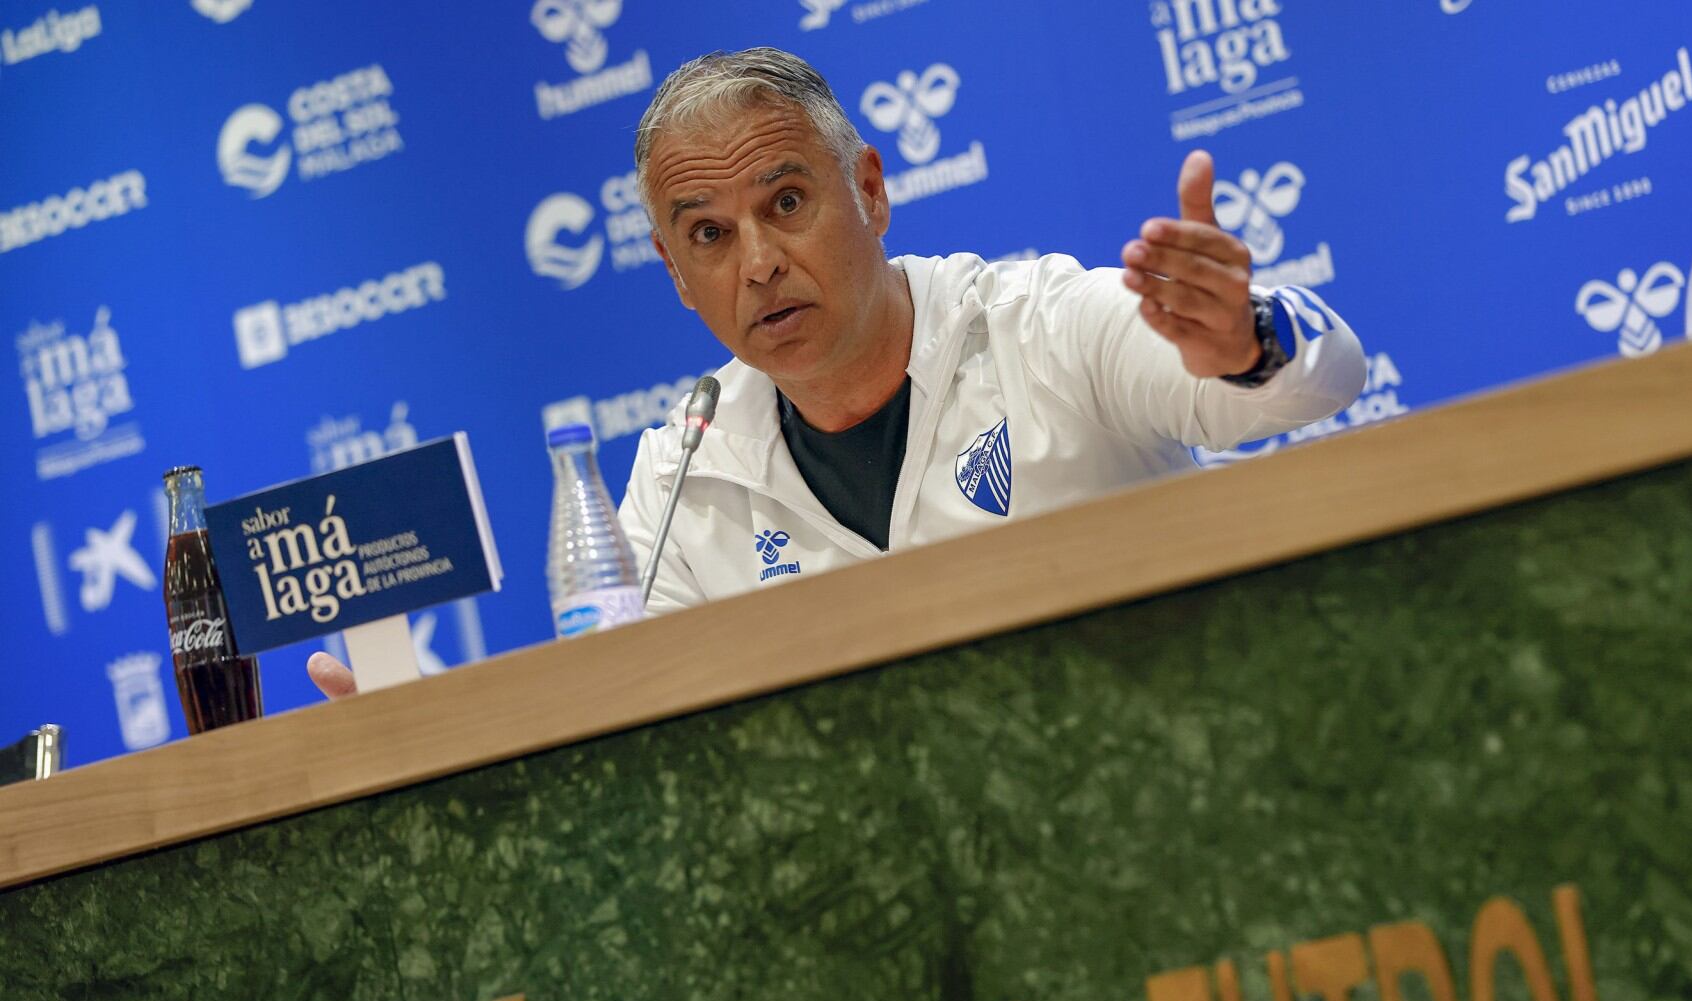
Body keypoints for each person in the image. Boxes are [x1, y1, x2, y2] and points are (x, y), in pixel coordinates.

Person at [308, 46, 1364, 699]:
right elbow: (629, 726)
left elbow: (1320, 378)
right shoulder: (680, 481)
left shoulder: (1037, 324)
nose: (758, 262)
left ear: (870, 190)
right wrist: (437, 742)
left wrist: (1244, 344)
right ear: (676, 275)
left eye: (786, 204)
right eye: (710, 235)